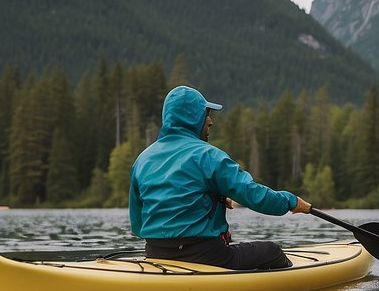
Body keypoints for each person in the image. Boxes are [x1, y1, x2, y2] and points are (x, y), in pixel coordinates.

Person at [129, 85, 312, 270]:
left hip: (155, 254)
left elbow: (137, 225)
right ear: (192, 118)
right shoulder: (208, 156)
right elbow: (252, 194)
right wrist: (290, 201)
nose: (210, 121)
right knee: (272, 252)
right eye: (206, 114)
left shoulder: (142, 160)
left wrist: (213, 199)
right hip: (204, 256)